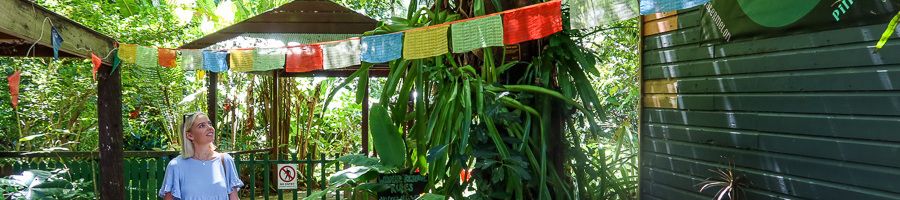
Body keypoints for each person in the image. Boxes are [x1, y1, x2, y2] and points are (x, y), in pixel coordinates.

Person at [159, 112, 243, 200]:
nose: (210, 128)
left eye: (209, 124)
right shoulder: (175, 165)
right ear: (190, 135)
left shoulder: (225, 160)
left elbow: (234, 198)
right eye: (202, 125)